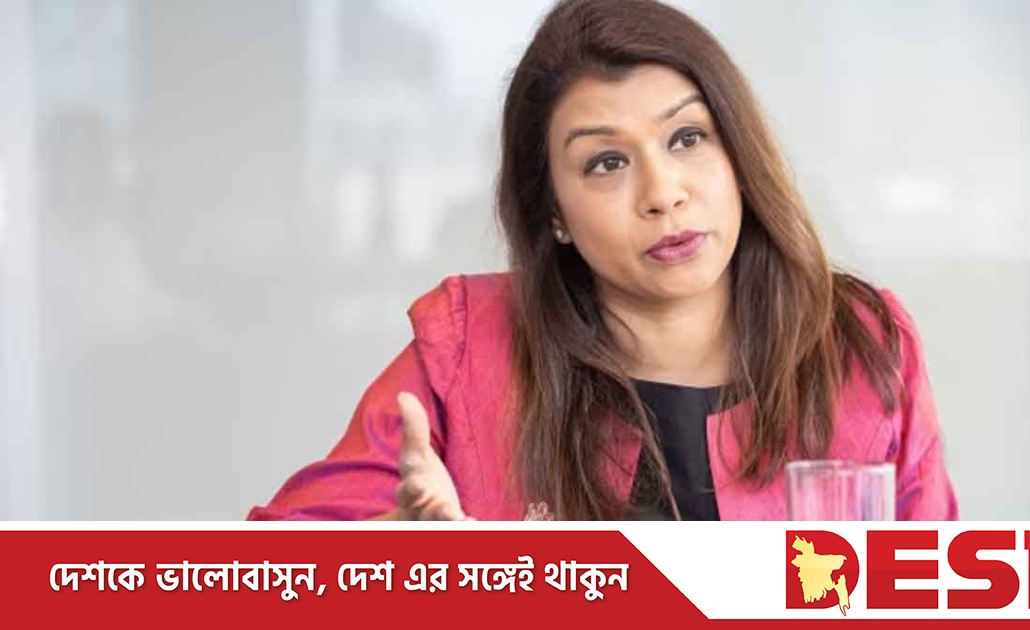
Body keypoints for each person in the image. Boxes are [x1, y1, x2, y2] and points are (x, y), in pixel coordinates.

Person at [247, 0, 958, 522]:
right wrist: (392, 567)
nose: (663, 193)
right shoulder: (466, 347)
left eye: (687, 138)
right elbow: (263, 581)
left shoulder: (863, 344)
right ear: (554, 212)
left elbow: (938, 596)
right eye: (607, 162)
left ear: (738, 155)